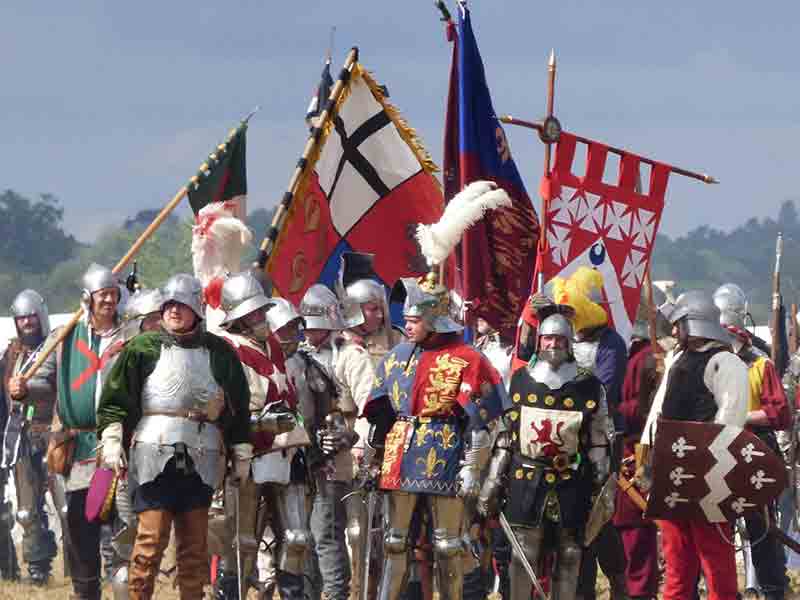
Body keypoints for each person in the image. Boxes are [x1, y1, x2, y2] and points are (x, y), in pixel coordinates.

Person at [96, 273, 251, 600]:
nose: (174, 311)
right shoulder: (142, 348)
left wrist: (241, 449)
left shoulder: (218, 351)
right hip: (151, 454)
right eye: (168, 305)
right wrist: (112, 438)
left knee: (194, 551)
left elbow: (238, 403)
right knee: (149, 544)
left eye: (182, 305)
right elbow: (116, 399)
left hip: (202, 456)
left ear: (197, 308)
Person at [362, 272, 507, 600]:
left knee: (447, 545)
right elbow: (380, 416)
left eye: (414, 320)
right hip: (399, 454)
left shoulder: (467, 358)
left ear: (433, 319)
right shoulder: (397, 356)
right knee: (394, 541)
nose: (407, 326)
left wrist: (473, 468)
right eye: (407, 319)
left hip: (445, 453)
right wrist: (372, 458)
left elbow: (483, 422)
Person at [9, 264, 127, 600]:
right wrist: (23, 389)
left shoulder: (129, 334)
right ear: (88, 298)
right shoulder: (66, 337)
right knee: (80, 526)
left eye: (113, 294)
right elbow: (42, 382)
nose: (109, 300)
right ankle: (86, 592)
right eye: (103, 295)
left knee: (122, 528)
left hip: (121, 447)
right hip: (79, 448)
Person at [478, 310, 611, 600]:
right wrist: (493, 480)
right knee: (522, 554)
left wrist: (601, 478)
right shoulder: (519, 380)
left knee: (570, 553)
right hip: (526, 477)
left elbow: (598, 438)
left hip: (572, 480)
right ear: (539, 341)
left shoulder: (589, 385)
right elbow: (505, 437)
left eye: (559, 339)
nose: (553, 344)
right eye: (547, 338)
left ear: (569, 342)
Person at [641, 290, 749, 600]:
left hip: (709, 475)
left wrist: (708, 467)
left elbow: (730, 422)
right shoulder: (677, 358)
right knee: (676, 560)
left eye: (679, 323)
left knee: (715, 561)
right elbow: (659, 411)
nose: (674, 330)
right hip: (671, 469)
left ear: (694, 323)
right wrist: (648, 454)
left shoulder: (726, 362)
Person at [213, 271, 309, 600]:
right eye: (252, 313)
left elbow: (289, 396)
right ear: (238, 318)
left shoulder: (272, 345)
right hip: (247, 455)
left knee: (296, 539)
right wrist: (262, 423)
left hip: (287, 449)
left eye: (261, 311)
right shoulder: (225, 350)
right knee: (242, 544)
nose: (260, 317)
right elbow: (224, 411)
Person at [548, 267, 630, 600]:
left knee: (599, 515)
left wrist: (568, 401)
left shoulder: (611, 343)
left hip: (601, 437)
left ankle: (617, 580)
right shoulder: (563, 341)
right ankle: (579, 590)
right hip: (564, 435)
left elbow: (604, 389)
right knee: (570, 512)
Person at [714, 283, 791, 600]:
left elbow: (780, 413)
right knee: (718, 531)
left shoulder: (760, 363)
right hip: (717, 454)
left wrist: (741, 417)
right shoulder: (709, 363)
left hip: (754, 452)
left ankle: (772, 590)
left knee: (761, 528)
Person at [299, 283, 372, 600]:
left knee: (327, 532)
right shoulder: (299, 356)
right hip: (304, 454)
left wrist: (357, 444)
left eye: (316, 325)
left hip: (340, 457)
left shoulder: (351, 356)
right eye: (307, 325)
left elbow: (370, 406)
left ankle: (335, 594)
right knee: (303, 535)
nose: (310, 331)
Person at [612, 291, 669, 600]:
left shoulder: (650, 359)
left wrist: (610, 411)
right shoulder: (630, 355)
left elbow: (649, 412)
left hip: (640, 454)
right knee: (623, 533)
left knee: (637, 532)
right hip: (621, 452)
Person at [2, 289, 58, 584]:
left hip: (55, 434)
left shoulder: (57, 348)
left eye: (31, 317)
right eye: (21, 318)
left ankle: (80, 568)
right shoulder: (11, 354)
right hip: (23, 438)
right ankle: (38, 567)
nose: (26, 323)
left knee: (67, 507)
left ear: (41, 317)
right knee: (26, 510)